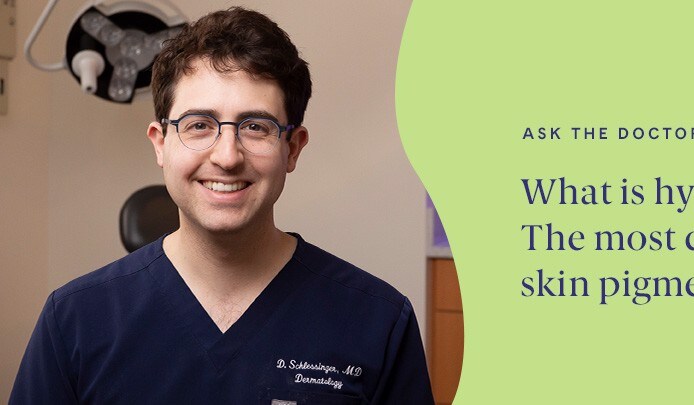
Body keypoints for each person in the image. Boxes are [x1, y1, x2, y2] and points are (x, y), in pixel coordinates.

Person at [10, 7, 434, 404]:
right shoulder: (75, 321)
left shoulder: (377, 321)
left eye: (255, 126)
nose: (227, 156)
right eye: (199, 125)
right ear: (160, 143)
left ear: (292, 147)